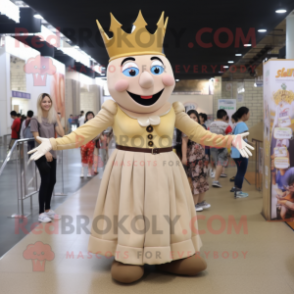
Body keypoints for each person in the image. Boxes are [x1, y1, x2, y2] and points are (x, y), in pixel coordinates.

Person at [28, 11, 253, 283]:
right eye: (132, 72)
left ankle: (173, 253)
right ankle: (129, 254)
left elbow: (199, 134)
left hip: (166, 168)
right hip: (127, 167)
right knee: (131, 211)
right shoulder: (114, 108)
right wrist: (53, 142)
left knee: (167, 211)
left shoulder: (173, 109)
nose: (146, 81)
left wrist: (231, 140)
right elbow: (86, 133)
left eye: (156, 70)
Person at [30, 93, 64, 223]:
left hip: (52, 152)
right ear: (40, 103)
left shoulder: (52, 118)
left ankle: (48, 209)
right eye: (44, 102)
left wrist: (58, 120)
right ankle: (41, 212)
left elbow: (62, 133)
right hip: (41, 154)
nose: (47, 104)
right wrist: (45, 152)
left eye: (49, 102)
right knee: (45, 180)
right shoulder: (35, 119)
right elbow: (37, 137)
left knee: (52, 181)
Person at [182, 110, 211, 212]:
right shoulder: (186, 128)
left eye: (195, 117)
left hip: (202, 157)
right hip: (192, 158)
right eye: (190, 117)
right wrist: (184, 157)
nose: (193, 119)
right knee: (195, 180)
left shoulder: (200, 128)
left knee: (203, 179)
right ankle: (193, 204)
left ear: (198, 118)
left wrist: (206, 155)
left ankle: (200, 201)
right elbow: (184, 143)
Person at [230, 107, 251, 198]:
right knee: (241, 172)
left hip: (235, 152)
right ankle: (238, 192)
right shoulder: (242, 125)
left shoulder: (236, 124)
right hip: (241, 152)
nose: (249, 116)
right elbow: (242, 138)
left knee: (239, 171)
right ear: (244, 115)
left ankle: (236, 188)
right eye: (249, 114)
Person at [209, 109, 232, 187]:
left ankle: (216, 177)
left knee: (217, 163)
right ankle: (215, 180)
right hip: (222, 146)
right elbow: (230, 137)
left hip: (212, 146)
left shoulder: (211, 124)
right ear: (224, 116)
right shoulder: (226, 125)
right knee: (220, 163)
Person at [80, 111, 96, 178]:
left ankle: (89, 172)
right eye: (88, 115)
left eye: (91, 115)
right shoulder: (83, 125)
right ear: (86, 117)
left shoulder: (95, 125)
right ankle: (83, 172)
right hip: (84, 142)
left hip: (91, 142)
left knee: (90, 157)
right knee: (83, 157)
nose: (90, 116)